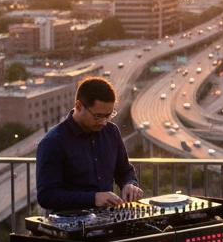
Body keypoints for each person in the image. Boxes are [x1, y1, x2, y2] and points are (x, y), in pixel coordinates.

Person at [36, 76, 143, 212]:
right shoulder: (53, 142)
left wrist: (129, 184)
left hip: (105, 221)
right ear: (78, 106)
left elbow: (124, 171)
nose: (104, 122)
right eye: (98, 116)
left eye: (109, 115)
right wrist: (93, 198)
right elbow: (47, 196)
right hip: (71, 225)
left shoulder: (111, 131)